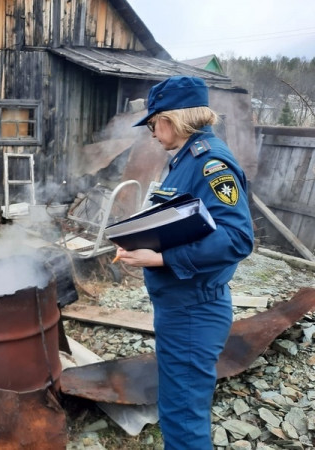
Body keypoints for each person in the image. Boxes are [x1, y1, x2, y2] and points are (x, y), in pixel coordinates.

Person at [117, 76, 254, 449]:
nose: (152, 133)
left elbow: (237, 238)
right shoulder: (184, 159)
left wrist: (160, 257)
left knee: (183, 415)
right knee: (177, 406)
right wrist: (137, 240)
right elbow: (183, 222)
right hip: (180, 306)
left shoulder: (209, 162)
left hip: (194, 310)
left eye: (152, 124)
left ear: (172, 119)